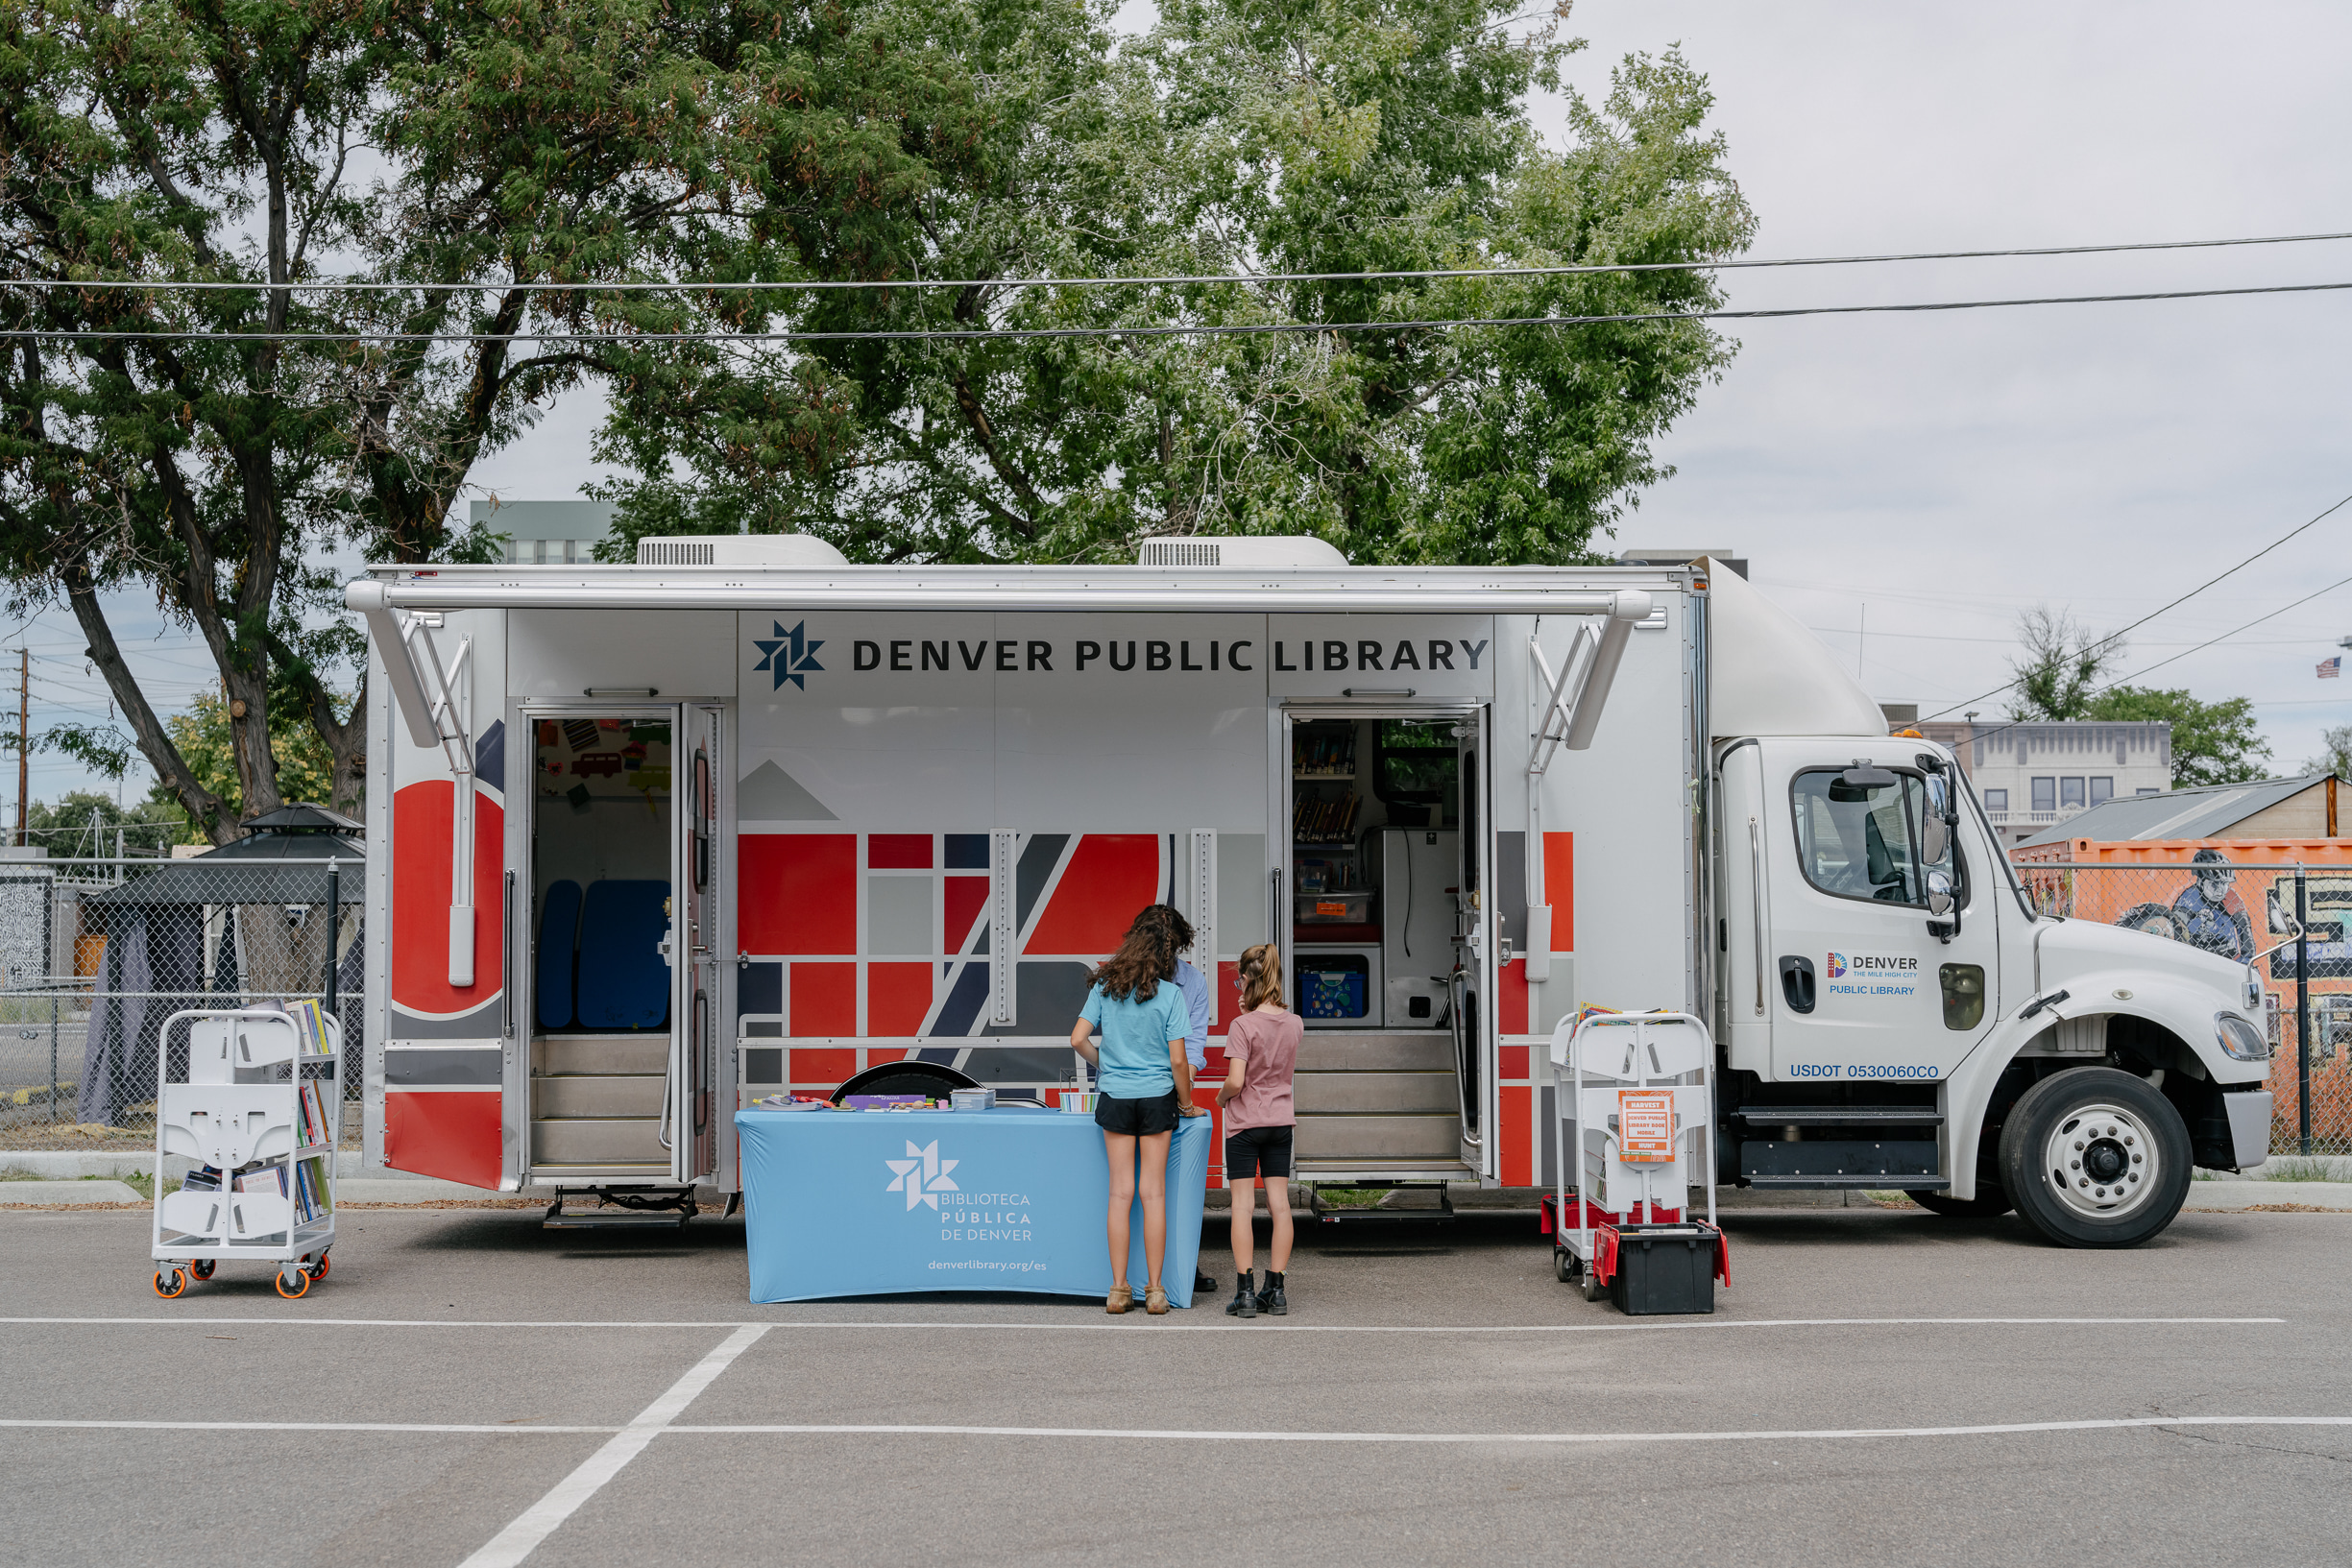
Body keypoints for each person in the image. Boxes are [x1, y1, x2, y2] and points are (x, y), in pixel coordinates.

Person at [1070, 914, 1206, 1314]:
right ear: (1165, 955)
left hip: (1115, 1095)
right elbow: (1180, 1062)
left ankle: (1117, 1290)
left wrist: (1107, 1065)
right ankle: (1157, 1290)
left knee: (1119, 1193)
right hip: (1158, 1098)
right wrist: (1185, 1103)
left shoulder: (1104, 987)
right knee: (1153, 1193)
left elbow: (1077, 1038)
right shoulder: (1170, 995)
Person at [1217, 943, 1302, 1318]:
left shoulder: (1241, 1025)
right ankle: (1277, 1290)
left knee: (1242, 1206)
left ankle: (1246, 1293)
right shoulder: (1295, 1022)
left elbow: (1235, 1082)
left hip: (1245, 1124)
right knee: (1280, 1206)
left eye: (1239, 980)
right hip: (1281, 1123)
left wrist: (1221, 1098)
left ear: (1248, 979)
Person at [1138, 904, 1219, 1297]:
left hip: (1172, 1090)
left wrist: (1182, 1086)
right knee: (1135, 1190)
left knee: (1173, 1188)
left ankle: (1182, 1265)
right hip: (1137, 1092)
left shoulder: (1194, 983)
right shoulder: (1128, 976)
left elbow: (1195, 1045)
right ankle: (1142, 1275)